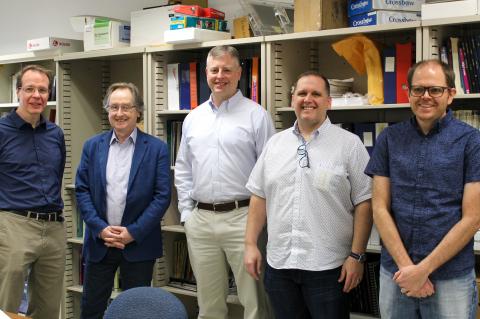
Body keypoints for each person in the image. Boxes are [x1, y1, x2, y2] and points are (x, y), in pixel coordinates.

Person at [244, 71, 373, 319]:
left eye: (316, 93)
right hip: (280, 265)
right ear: (293, 100)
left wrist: (357, 255)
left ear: (328, 102)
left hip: (328, 268)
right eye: (302, 93)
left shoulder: (350, 144)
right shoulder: (275, 144)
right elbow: (259, 196)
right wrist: (250, 244)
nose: (308, 99)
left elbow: (364, 203)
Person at [365, 59, 480, 318]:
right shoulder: (389, 139)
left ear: (450, 94)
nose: (425, 97)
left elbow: (473, 218)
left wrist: (422, 270)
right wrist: (409, 270)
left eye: (434, 90)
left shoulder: (472, 142)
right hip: (397, 273)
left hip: (450, 277)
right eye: (418, 90)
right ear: (408, 93)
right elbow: (379, 208)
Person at [175, 45, 275, 319]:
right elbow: (183, 168)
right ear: (206, 73)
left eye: (227, 70)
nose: (220, 76)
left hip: (243, 219)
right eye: (214, 70)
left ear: (238, 73)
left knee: (254, 302)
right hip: (201, 220)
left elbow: (270, 173)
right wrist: (187, 214)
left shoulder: (257, 115)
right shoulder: (193, 118)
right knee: (208, 305)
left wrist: (259, 221)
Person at [75, 82, 171, 319]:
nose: (120, 113)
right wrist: (99, 228)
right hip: (101, 244)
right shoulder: (92, 146)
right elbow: (82, 190)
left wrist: (133, 232)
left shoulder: (157, 148)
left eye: (126, 107)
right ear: (107, 111)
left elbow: (162, 196)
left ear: (138, 111)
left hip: (138, 245)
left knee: (136, 312)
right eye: (114, 107)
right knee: (91, 308)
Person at [0, 64, 66, 319]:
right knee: (7, 306)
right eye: (30, 89)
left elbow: (56, 176)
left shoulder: (55, 133)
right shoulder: (2, 132)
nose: (36, 95)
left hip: (54, 227)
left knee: (48, 308)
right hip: (13, 224)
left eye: (42, 89)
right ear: (18, 92)